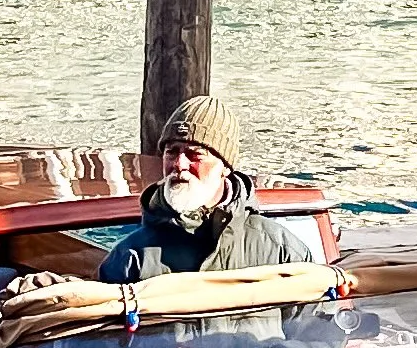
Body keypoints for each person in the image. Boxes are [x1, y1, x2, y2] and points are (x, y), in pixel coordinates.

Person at [111, 95, 300, 284]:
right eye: (171, 152)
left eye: (195, 154)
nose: (179, 164)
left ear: (225, 167)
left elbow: (316, 312)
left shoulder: (280, 251)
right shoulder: (130, 258)